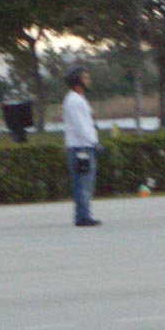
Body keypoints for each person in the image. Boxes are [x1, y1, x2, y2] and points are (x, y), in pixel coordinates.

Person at [63, 65, 102, 227]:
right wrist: (94, 143)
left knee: (85, 183)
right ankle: (83, 216)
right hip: (81, 148)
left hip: (83, 146)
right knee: (83, 183)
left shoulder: (78, 99)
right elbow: (80, 126)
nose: (89, 81)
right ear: (78, 81)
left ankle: (84, 213)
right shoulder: (74, 100)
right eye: (85, 78)